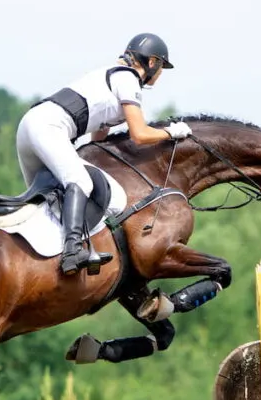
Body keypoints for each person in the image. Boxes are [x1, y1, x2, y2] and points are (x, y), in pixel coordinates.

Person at [16, 32, 192, 276]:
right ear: (152, 62)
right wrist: (172, 133)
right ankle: (72, 252)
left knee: (46, 206)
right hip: (49, 128)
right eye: (161, 66)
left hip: (31, 127)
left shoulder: (111, 75)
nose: (160, 73)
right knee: (79, 182)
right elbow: (140, 134)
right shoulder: (128, 79)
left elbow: (99, 137)